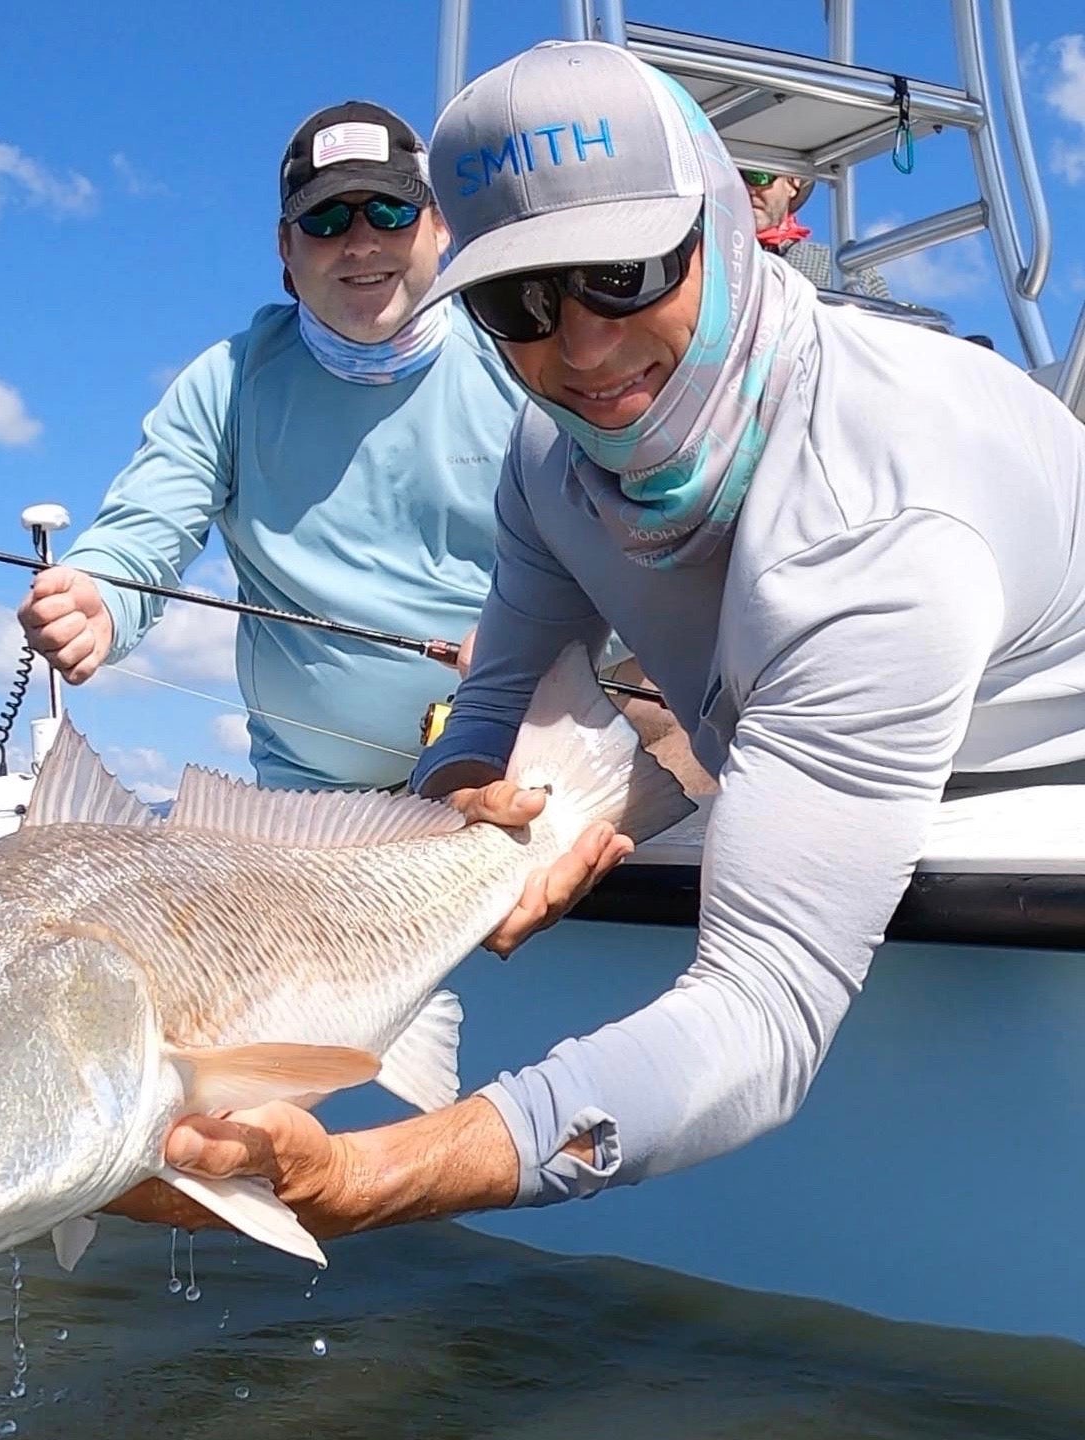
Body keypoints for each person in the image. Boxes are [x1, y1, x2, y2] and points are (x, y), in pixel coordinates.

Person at [104, 41, 1085, 1240]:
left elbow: (765, 1015)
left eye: (622, 272)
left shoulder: (873, 515)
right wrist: (468, 805)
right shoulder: (547, 454)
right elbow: (493, 702)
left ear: (725, 226)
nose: (580, 347)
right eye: (518, 300)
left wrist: (363, 1177)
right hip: (791, 742)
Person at [17, 101, 527, 792]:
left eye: (389, 211)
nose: (359, 242)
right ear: (285, 249)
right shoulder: (226, 383)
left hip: (529, 761)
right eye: (324, 219)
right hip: (314, 807)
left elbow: (614, 551)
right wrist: (100, 599)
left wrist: (533, 649)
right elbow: (143, 535)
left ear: (440, 228)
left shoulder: (524, 355)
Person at [739, 166, 891, 298]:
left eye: (757, 176)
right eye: (735, 178)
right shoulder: (716, 260)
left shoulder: (840, 268)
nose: (747, 189)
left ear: (792, 184)